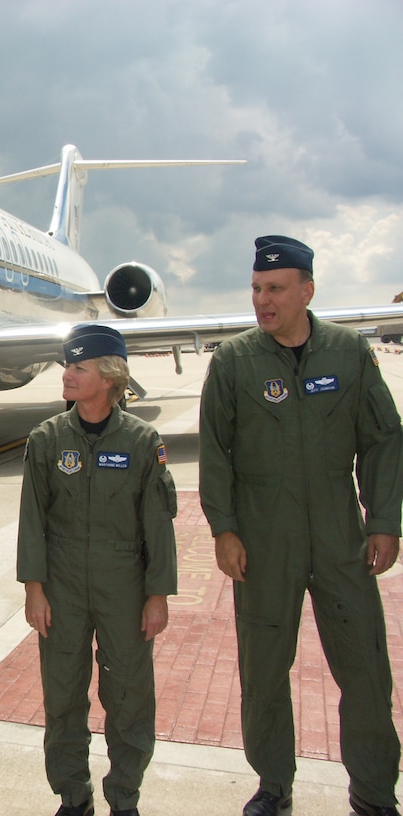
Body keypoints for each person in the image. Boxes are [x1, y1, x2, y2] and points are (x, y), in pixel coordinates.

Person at [199, 236, 403, 816]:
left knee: (365, 671)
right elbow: (216, 452)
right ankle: (274, 787)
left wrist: (383, 518)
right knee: (264, 671)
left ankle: (372, 794)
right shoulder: (236, 361)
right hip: (264, 543)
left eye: (276, 289)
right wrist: (225, 529)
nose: (263, 301)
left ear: (307, 291)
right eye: (257, 289)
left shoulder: (348, 352)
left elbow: (384, 438)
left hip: (341, 539)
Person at [17, 324, 178, 816]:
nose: (67, 374)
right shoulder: (47, 439)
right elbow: (33, 521)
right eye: (67, 365)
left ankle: (124, 797)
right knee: (63, 694)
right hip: (61, 585)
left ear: (108, 378)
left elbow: (158, 526)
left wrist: (157, 596)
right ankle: (73, 794)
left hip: (124, 583)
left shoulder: (141, 440)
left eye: (78, 367)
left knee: (128, 696)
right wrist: (34, 590)